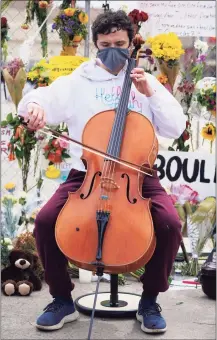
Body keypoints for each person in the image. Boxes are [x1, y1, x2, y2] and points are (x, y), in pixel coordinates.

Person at [18, 10, 186, 335]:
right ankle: (61, 300)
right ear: (95, 44)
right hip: (88, 173)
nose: (113, 49)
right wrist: (35, 108)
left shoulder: (145, 81)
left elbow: (176, 126)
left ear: (130, 42)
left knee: (169, 224)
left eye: (120, 43)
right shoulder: (79, 80)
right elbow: (40, 98)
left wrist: (150, 94)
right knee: (45, 221)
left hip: (136, 175)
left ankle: (150, 300)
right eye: (105, 44)